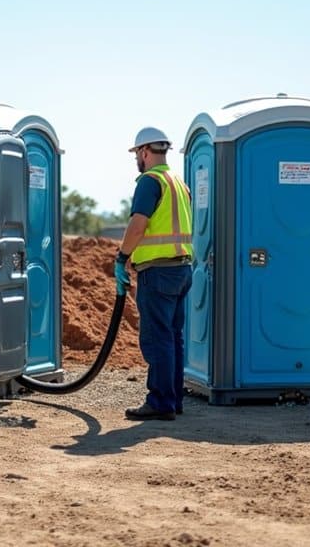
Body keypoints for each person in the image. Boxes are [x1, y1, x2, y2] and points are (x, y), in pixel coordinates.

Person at [115, 127, 194, 421]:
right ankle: (173, 400)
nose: (137, 158)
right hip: (182, 269)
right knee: (173, 336)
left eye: (137, 153)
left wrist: (122, 257)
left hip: (158, 273)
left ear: (145, 152)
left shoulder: (150, 182)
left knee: (158, 337)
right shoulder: (179, 183)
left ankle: (160, 402)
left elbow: (138, 226)